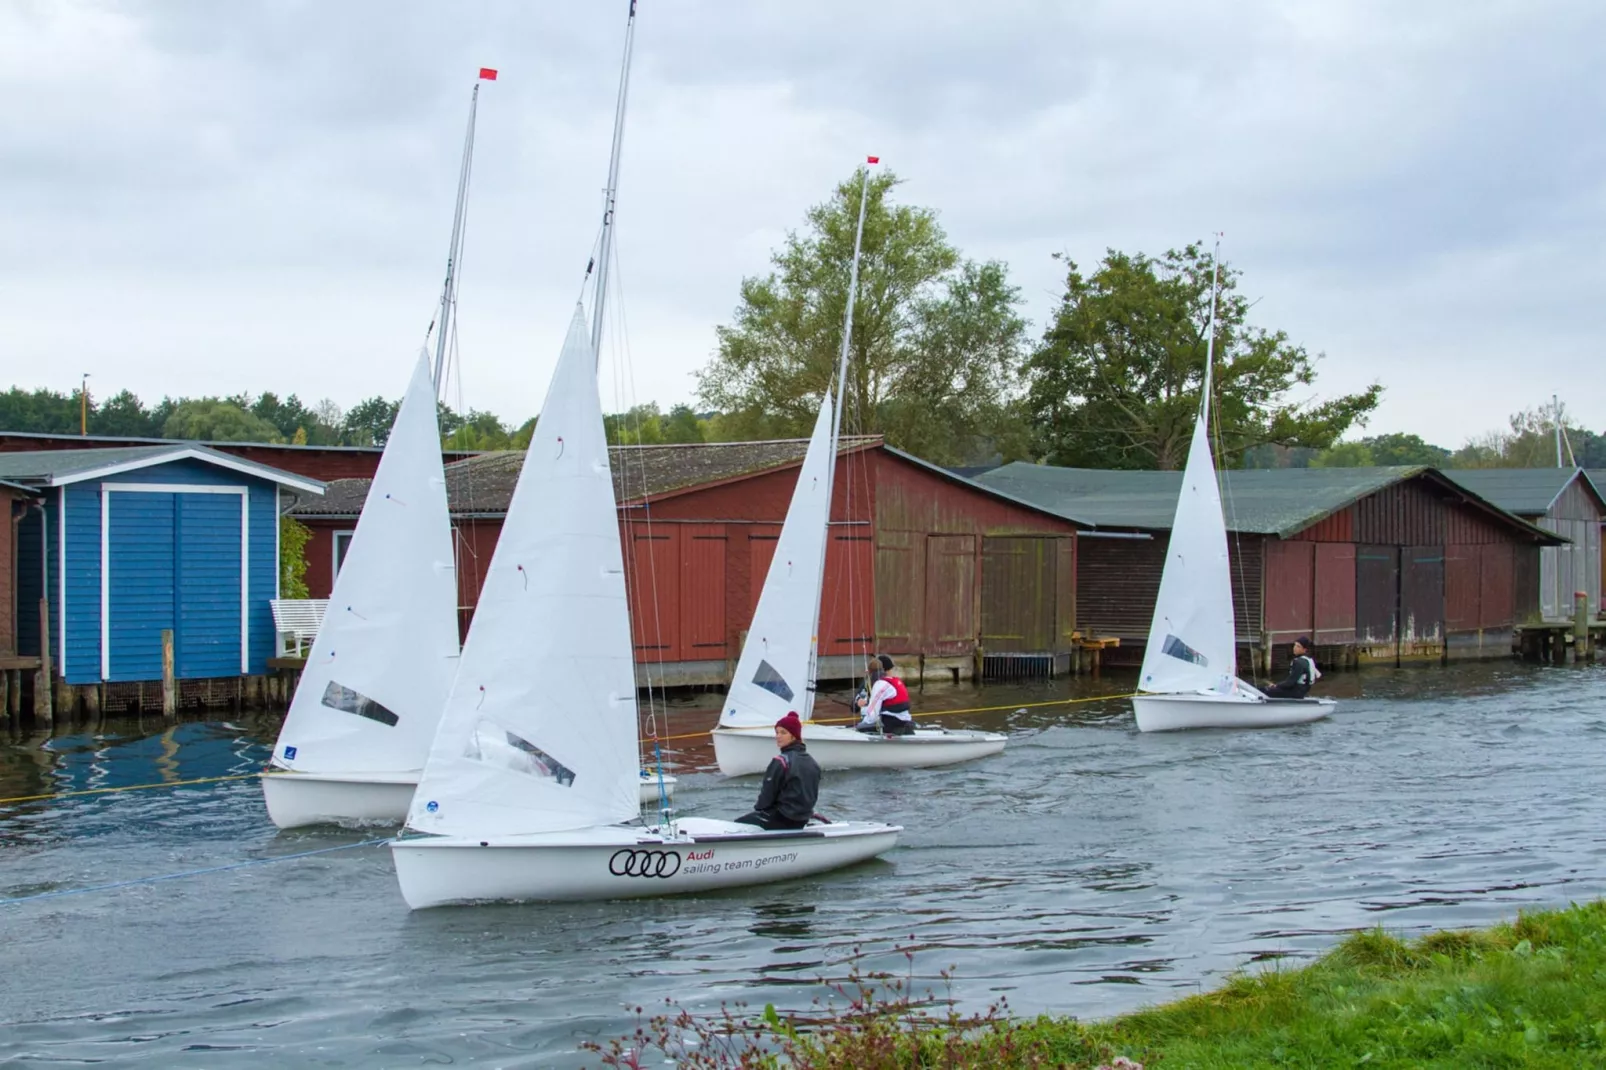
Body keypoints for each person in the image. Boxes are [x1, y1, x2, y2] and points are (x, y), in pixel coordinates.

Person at [735, 712, 821, 830]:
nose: (778, 736)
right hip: (802, 819)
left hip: (783, 819)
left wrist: (759, 811)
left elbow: (766, 799)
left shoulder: (780, 762)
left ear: (794, 736)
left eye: (783, 733)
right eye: (777, 732)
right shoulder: (813, 763)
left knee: (737, 824)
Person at [855, 653, 916, 736]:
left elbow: (873, 713)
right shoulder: (897, 681)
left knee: (861, 727)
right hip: (906, 721)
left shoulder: (880, 684)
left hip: (893, 724)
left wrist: (862, 724)